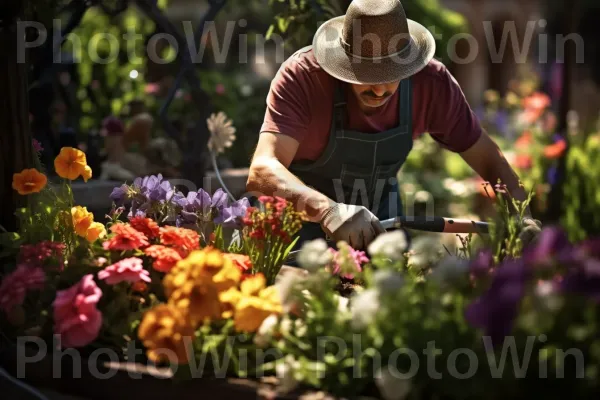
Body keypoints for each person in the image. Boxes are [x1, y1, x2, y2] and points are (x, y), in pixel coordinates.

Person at [247, 0, 542, 251]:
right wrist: (328, 211)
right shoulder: (305, 78)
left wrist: (520, 212)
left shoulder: (431, 84)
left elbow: (489, 160)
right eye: (365, 75)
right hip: (298, 235)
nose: (379, 90)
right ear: (343, 63)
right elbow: (262, 171)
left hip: (383, 227)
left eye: (392, 74)